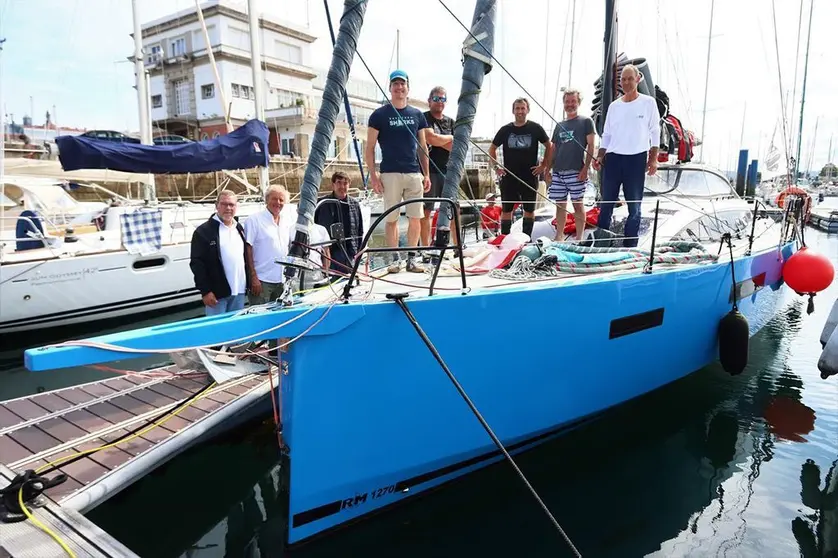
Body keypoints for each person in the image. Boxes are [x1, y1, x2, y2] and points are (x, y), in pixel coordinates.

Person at [365, 69, 431, 274]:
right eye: (395, 84)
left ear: (407, 88)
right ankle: (395, 259)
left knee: (415, 217)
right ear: (390, 88)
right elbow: (369, 147)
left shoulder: (417, 115)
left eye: (402, 84)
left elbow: (423, 147)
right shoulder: (379, 115)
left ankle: (412, 258)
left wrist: (426, 174)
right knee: (391, 219)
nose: (399, 87)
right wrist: (374, 177)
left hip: (413, 173)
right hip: (390, 173)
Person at [593, 64, 660, 247]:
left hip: (636, 158)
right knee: (606, 204)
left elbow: (655, 131)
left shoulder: (648, 103)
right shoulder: (614, 106)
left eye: (630, 78)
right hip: (613, 158)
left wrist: (653, 158)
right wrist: (600, 156)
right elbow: (606, 134)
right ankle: (601, 244)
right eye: (623, 79)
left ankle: (630, 246)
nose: (626, 82)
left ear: (637, 79)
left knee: (634, 207)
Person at [489, 98, 552, 238]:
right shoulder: (505, 130)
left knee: (529, 210)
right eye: (517, 108)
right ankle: (505, 238)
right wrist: (496, 167)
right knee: (507, 209)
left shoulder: (535, 128)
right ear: (513, 111)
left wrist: (544, 165)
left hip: (529, 176)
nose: (520, 111)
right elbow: (492, 149)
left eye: (523, 108)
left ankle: (526, 239)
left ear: (527, 110)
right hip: (509, 176)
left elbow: (549, 145)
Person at [190, 190, 250, 316]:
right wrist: (205, 291)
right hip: (217, 293)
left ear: (236, 207)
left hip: (239, 290)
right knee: (215, 332)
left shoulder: (239, 228)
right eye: (224, 204)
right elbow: (197, 264)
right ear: (217, 206)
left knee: (235, 330)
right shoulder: (203, 232)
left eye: (232, 205)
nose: (228, 208)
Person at [548, 88, 596, 241]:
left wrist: (585, 168)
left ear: (578, 102)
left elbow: (591, 145)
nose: (570, 104)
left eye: (573, 101)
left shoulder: (586, 122)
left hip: (576, 170)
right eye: (567, 102)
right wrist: (548, 169)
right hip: (558, 171)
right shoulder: (559, 125)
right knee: (560, 206)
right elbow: (554, 148)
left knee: (577, 205)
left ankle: (579, 237)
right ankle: (559, 236)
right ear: (564, 103)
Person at [243, 184, 290, 305]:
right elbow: (248, 249)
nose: (278, 202)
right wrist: (253, 277)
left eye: (281, 200)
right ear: (267, 200)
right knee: (259, 317)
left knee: (279, 316)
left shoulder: (286, 221)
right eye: (274, 199)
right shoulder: (254, 220)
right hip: (262, 280)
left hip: (281, 280)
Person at [421, 86, 456, 249]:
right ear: (429, 101)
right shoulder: (423, 118)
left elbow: (455, 147)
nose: (439, 102)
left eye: (442, 99)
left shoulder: (451, 122)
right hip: (429, 171)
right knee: (426, 211)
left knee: (454, 210)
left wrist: (440, 141)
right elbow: (430, 138)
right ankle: (426, 248)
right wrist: (448, 138)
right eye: (436, 98)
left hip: (448, 171)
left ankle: (458, 247)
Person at [314, 171, 365, 279]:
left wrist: (359, 251)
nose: (342, 186)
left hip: (349, 252)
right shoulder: (323, 203)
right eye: (339, 183)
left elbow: (360, 230)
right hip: (330, 253)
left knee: (349, 283)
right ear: (333, 185)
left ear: (349, 185)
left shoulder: (354, 204)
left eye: (345, 183)